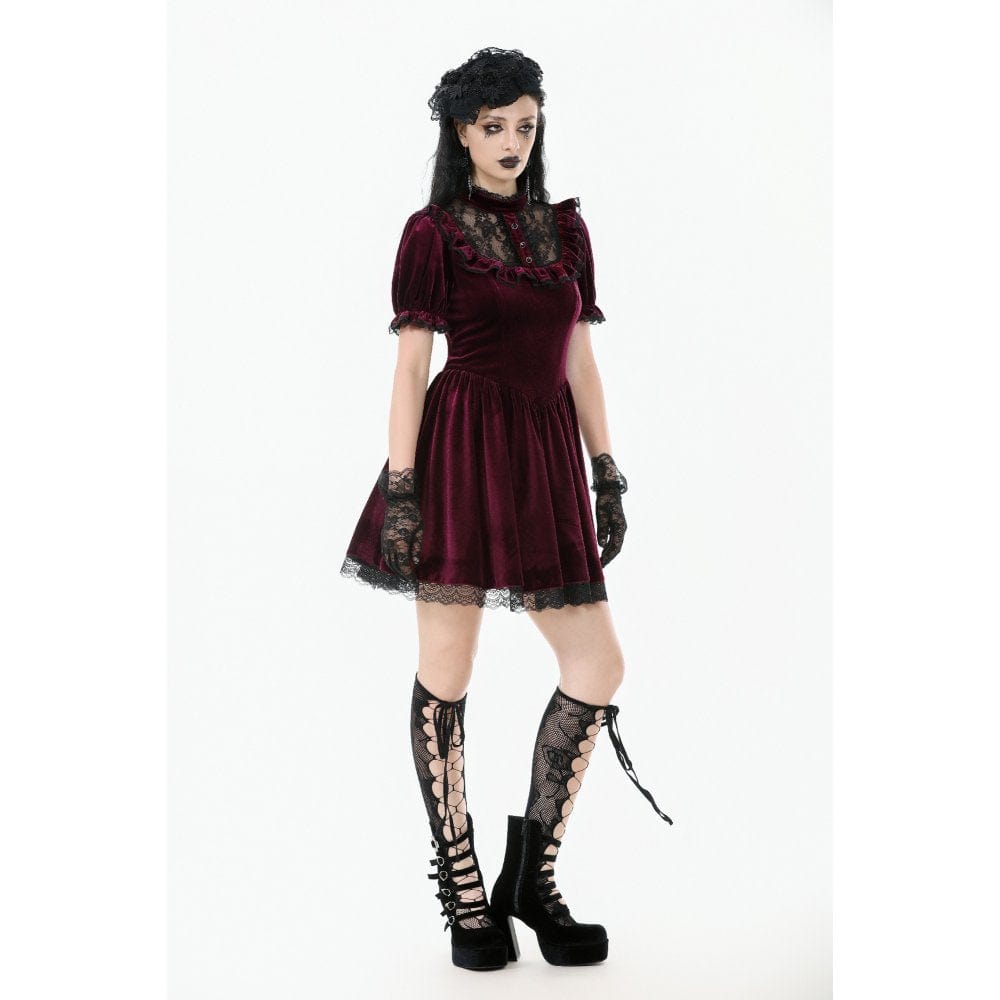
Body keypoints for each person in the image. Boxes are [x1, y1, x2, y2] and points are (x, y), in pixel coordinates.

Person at [339, 46, 673, 971]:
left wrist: (606, 471)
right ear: (461, 132)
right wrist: (401, 488)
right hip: (460, 452)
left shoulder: (565, 232)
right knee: (448, 668)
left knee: (598, 663)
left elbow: (579, 360)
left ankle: (532, 878)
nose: (512, 142)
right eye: (494, 127)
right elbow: (411, 368)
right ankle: (463, 884)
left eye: (525, 125)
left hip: (545, 456)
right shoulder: (432, 233)